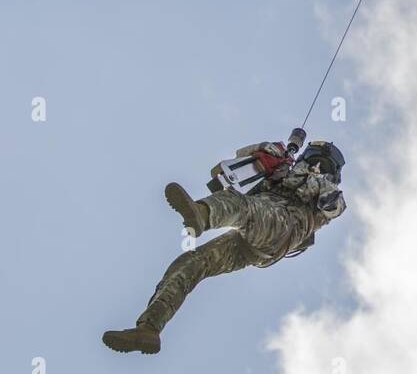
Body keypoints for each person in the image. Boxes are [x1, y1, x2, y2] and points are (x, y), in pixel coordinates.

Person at [102, 135, 347, 355]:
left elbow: (334, 207)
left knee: (242, 207)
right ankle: (149, 328)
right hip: (251, 244)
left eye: (322, 166)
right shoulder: (282, 169)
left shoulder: (329, 191)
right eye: (313, 161)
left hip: (282, 229)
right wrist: (266, 150)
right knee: (191, 263)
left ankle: (202, 215)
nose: (315, 167)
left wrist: (317, 189)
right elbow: (224, 170)